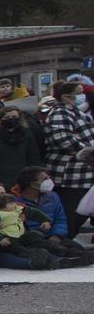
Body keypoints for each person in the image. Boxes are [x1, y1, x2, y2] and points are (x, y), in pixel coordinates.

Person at [42, 76, 94, 227]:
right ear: (66, 96)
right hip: (71, 173)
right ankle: (63, 237)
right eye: (79, 92)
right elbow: (62, 138)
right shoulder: (60, 112)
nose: (82, 95)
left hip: (84, 172)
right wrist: (88, 151)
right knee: (71, 212)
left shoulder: (76, 111)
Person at [0, 103, 45, 188]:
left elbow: (34, 158)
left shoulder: (27, 135)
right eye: (7, 118)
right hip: (0, 182)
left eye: (15, 117)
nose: (11, 120)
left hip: (23, 182)